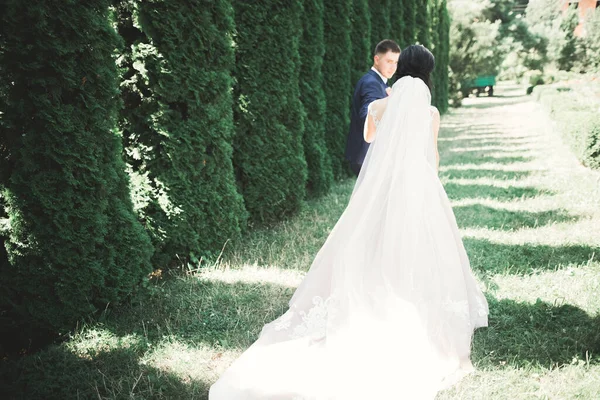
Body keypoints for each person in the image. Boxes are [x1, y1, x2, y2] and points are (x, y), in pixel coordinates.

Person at [209, 44, 489, 400]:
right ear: (429, 72)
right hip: (419, 185)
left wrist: (387, 112)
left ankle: (373, 291)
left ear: (401, 67)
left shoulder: (380, 104)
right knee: (419, 242)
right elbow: (431, 156)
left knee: (369, 237)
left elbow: (370, 138)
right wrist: (429, 190)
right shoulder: (430, 112)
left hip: (382, 185)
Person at [345, 39, 400, 176]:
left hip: (369, 155)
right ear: (376, 59)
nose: (393, 67)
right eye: (389, 61)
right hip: (367, 155)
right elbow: (367, 114)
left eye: (396, 62)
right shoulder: (372, 83)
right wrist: (390, 101)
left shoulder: (377, 82)